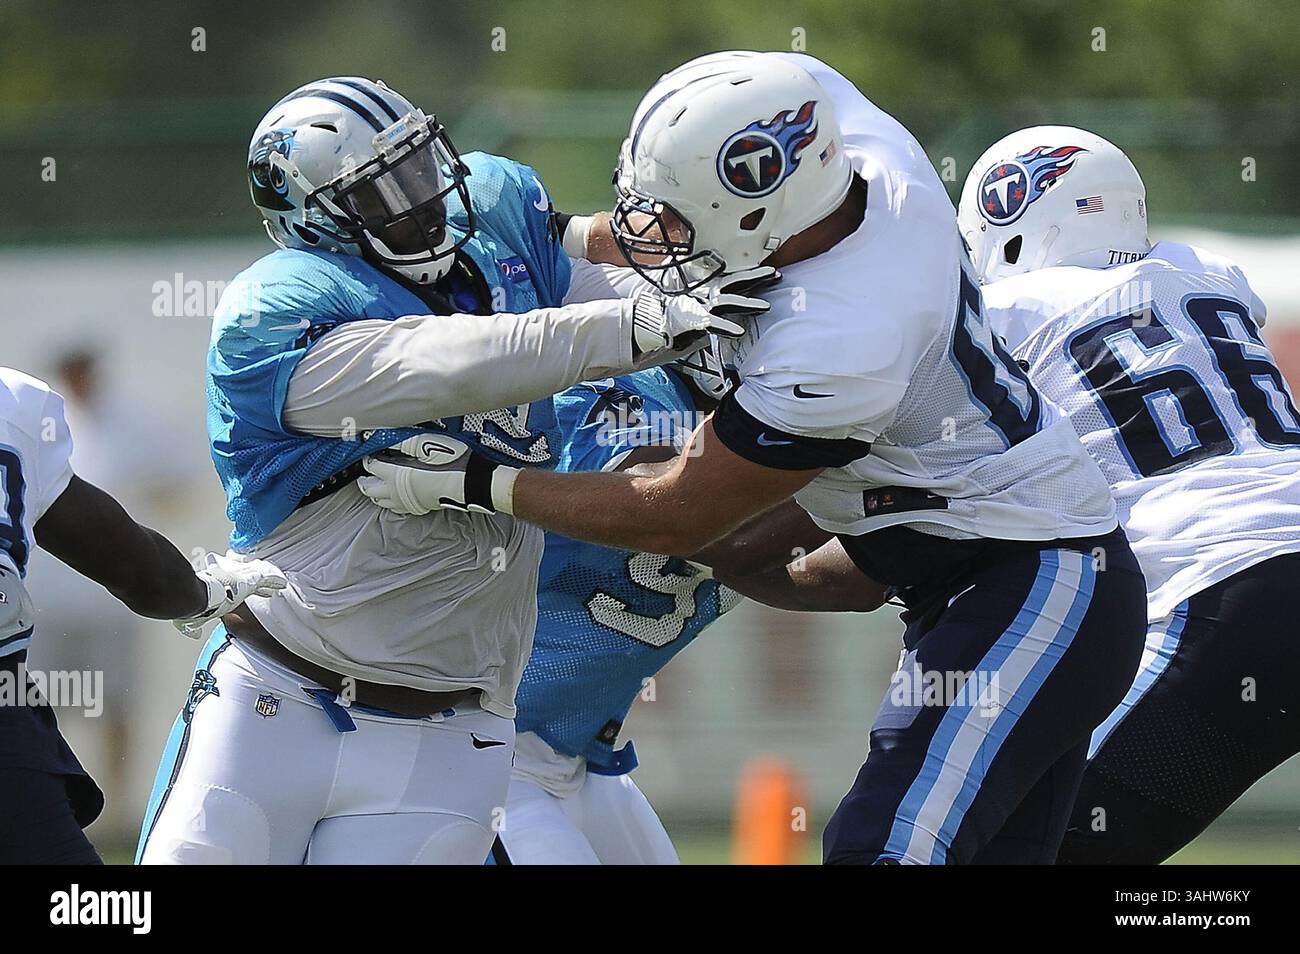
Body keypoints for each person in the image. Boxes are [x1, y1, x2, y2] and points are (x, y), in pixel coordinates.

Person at [357, 53, 1148, 865]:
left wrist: (485, 483)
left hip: (1033, 579)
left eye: (676, 217)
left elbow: (680, 511)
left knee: (887, 847)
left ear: (758, 216)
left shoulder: (840, 341)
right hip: (991, 583)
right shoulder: (842, 146)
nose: (647, 237)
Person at [136, 76, 768, 865]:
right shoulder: (279, 308)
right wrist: (633, 326)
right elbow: (449, 363)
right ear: (318, 219)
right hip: (278, 700)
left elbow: (625, 276)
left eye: (419, 167)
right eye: (382, 192)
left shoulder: (493, 227)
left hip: (451, 731)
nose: (423, 200)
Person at [959, 125, 1300, 864]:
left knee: (1016, 850)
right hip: (1266, 566)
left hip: (1229, 591)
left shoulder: (1010, 313)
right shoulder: (1210, 273)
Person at [498, 347, 827, 863]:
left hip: (577, 756)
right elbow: (683, 517)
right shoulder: (622, 397)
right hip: (488, 745)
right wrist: (856, 461)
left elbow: (843, 581)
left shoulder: (796, 453)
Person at [0, 366, 284, 864]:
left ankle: (119, 813)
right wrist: (206, 593)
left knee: (108, 705)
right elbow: (135, 570)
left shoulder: (57, 410)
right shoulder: (17, 405)